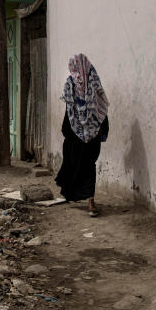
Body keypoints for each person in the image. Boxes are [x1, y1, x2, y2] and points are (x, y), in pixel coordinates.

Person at [55, 53, 109, 216]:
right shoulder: (95, 82)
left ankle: (88, 199)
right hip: (91, 134)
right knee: (87, 165)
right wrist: (103, 130)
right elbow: (103, 108)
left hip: (75, 134)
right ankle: (88, 200)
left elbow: (69, 109)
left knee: (79, 164)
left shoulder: (70, 83)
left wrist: (66, 130)